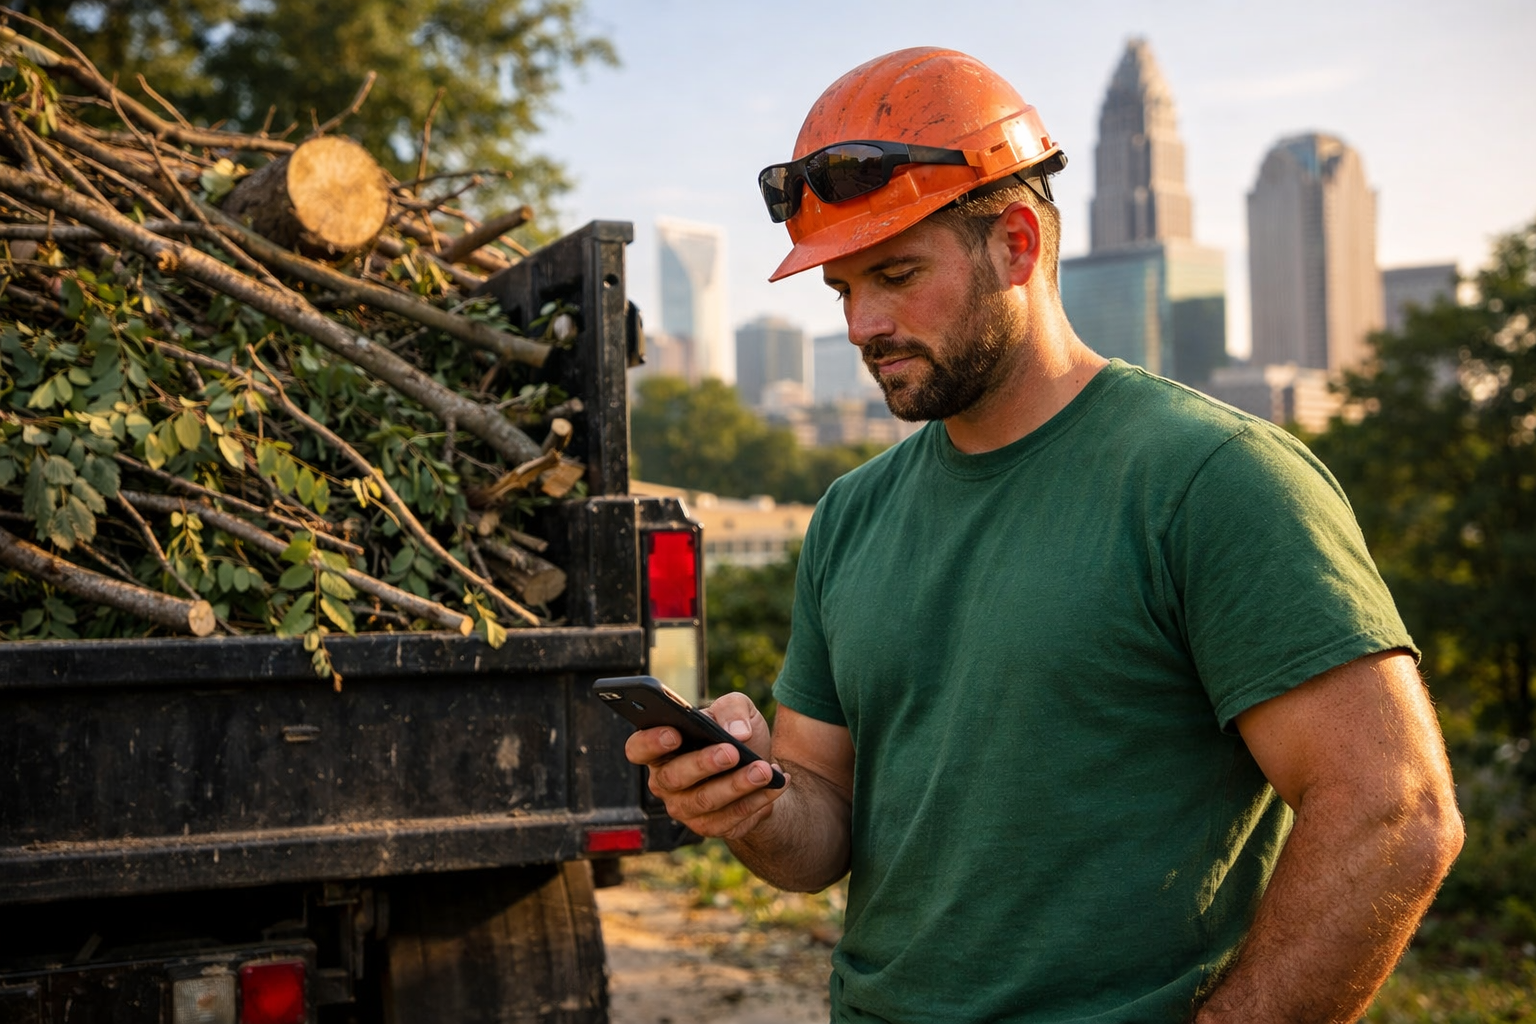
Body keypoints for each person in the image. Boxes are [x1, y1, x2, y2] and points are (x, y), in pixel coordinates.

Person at [626, 47, 1464, 1023]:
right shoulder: (851, 513)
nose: (862, 324)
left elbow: (1393, 813)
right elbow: (823, 833)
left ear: (1016, 245)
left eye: (895, 274)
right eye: (843, 289)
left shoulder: (1212, 480)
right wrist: (758, 801)